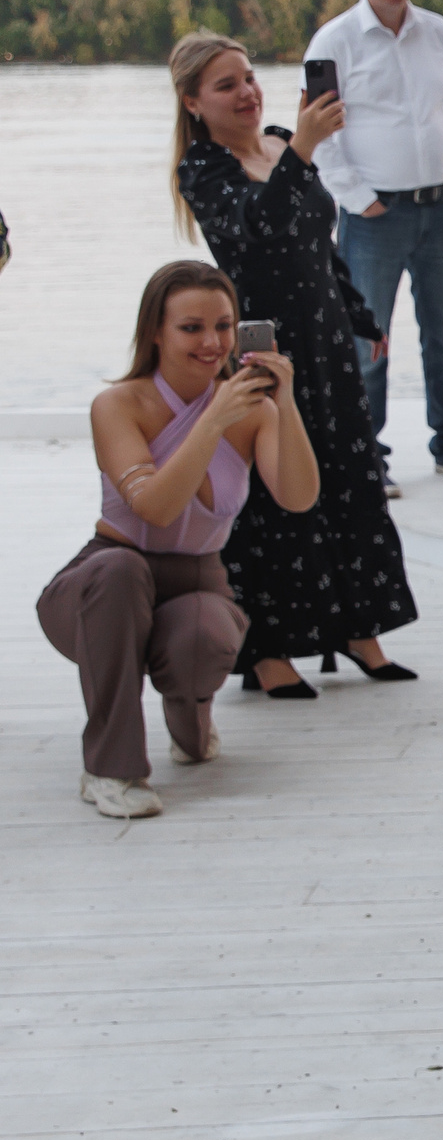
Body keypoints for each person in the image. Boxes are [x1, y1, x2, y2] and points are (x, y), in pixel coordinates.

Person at [173, 32, 421, 696]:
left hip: (328, 342)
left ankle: (359, 628)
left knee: (350, 479)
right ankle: (267, 648)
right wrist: (307, 149)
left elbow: (319, 240)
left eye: (249, 77)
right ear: (194, 102)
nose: (247, 92)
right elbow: (260, 226)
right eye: (226, 85)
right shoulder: (202, 170)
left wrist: (362, 315)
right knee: (273, 497)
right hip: (262, 351)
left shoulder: (283, 141)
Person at [39, 262, 318, 818]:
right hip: (104, 579)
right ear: (155, 332)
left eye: (224, 325)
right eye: (191, 327)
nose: (212, 342)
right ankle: (110, 769)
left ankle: (190, 718)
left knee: (201, 635)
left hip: (197, 575)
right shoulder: (118, 405)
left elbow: (299, 497)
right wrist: (212, 420)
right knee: (121, 574)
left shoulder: (252, 409)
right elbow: (156, 508)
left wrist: (283, 404)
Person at [303, 0, 443, 488]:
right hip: (373, 219)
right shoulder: (333, 42)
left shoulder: (439, 34)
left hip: (442, 210)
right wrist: (360, 202)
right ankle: (367, 459)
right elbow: (318, 133)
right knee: (368, 343)